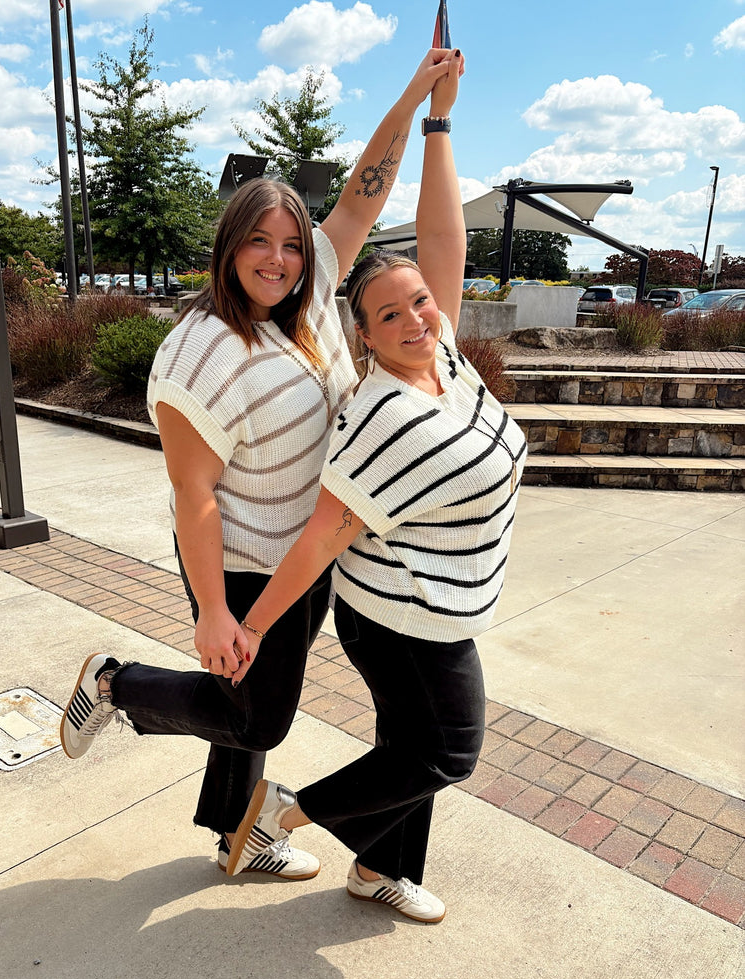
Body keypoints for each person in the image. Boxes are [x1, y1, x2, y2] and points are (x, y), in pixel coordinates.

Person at [59, 49, 462, 883]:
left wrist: (417, 99)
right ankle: (116, 682)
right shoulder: (195, 354)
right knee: (257, 720)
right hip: (241, 562)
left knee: (243, 703)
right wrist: (213, 611)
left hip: (308, 550)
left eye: (289, 244)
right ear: (229, 246)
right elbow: (192, 496)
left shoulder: (309, 295)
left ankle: (232, 833)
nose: (277, 259)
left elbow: (364, 193)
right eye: (258, 243)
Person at [223, 49, 527, 923]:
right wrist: (251, 626)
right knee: (446, 751)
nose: (414, 318)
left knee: (407, 743)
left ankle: (375, 870)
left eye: (421, 302)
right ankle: (285, 810)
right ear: (364, 336)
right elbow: (323, 534)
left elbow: (443, 240)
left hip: (437, 599)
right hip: (404, 620)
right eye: (388, 314)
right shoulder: (386, 414)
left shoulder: (446, 360)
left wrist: (439, 122)